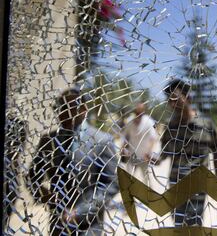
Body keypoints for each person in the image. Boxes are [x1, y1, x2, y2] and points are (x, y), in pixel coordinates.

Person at [27, 88, 119, 236]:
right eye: (60, 107)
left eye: (69, 108)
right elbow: (33, 175)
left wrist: (80, 212)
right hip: (58, 224)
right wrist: (42, 194)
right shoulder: (48, 140)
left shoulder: (102, 141)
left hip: (89, 226)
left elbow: (111, 184)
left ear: (83, 109)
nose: (62, 113)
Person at [161, 79, 217, 227]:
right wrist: (149, 158)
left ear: (188, 98)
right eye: (169, 100)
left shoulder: (206, 124)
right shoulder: (171, 127)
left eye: (176, 99)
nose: (173, 104)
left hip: (198, 187)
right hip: (176, 185)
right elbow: (163, 154)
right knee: (179, 224)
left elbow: (216, 154)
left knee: (194, 225)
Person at [121, 103, 160, 185]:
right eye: (136, 112)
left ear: (143, 112)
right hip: (131, 155)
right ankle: (130, 195)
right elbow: (125, 137)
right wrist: (122, 149)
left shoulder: (149, 122)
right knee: (129, 178)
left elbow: (153, 139)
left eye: (140, 113)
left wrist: (149, 153)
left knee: (147, 180)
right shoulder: (129, 121)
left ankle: (149, 195)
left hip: (144, 156)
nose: (138, 115)